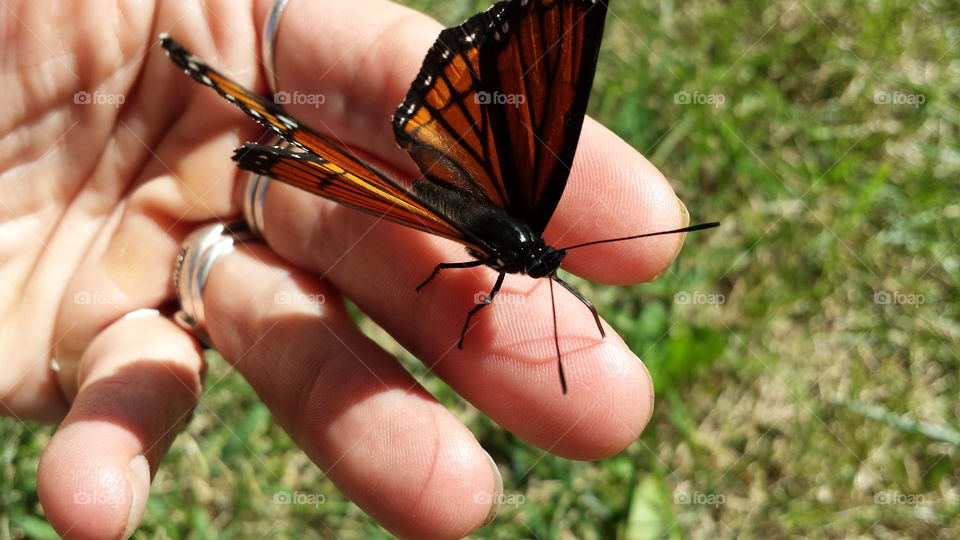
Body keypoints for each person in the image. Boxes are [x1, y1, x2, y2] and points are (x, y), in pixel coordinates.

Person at [1, 0, 693, 537]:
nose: (543, 271)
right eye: (541, 266)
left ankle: (258, 117)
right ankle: (241, 105)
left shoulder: (519, 232)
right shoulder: (523, 223)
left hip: (451, 162)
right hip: (464, 170)